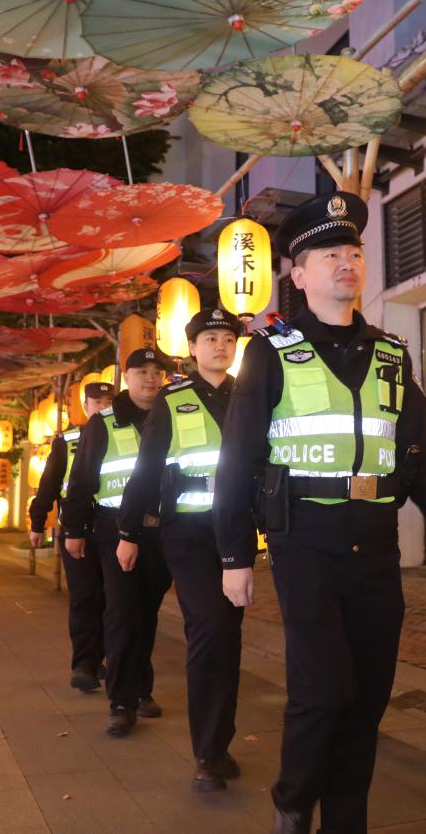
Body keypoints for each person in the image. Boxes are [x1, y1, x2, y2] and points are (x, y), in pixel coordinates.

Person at [213, 191, 426, 834]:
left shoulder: (389, 355)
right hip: (305, 543)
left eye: (353, 251)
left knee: (368, 696)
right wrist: (235, 554)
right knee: (322, 690)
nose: (346, 262)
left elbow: (423, 448)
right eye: (329, 254)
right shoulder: (270, 354)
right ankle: (294, 800)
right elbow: (238, 458)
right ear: (298, 274)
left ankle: (346, 818)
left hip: (375, 544)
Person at [117, 308, 245, 792]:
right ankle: (208, 752)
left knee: (228, 634)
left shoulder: (251, 396)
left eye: (226, 338)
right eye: (209, 338)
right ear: (192, 348)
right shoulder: (174, 400)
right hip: (188, 535)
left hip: (236, 534)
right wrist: (129, 531)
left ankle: (221, 741)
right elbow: (147, 468)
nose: (219, 345)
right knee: (210, 628)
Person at [63, 350, 171, 738]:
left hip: (161, 530)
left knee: (147, 612)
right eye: (142, 371)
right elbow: (81, 479)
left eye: (158, 372)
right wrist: (73, 529)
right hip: (111, 529)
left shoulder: (176, 415)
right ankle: (122, 699)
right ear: (127, 376)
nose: (151, 379)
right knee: (122, 611)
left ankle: (141, 686)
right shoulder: (103, 423)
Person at [29, 380, 116, 693]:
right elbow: (49, 484)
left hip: (112, 528)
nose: (103, 407)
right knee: (83, 598)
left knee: (111, 598)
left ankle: (101, 659)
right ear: (86, 405)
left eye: (109, 401)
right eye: (97, 402)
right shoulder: (68, 440)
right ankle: (83, 664)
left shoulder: (125, 434)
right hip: (76, 529)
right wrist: (37, 523)